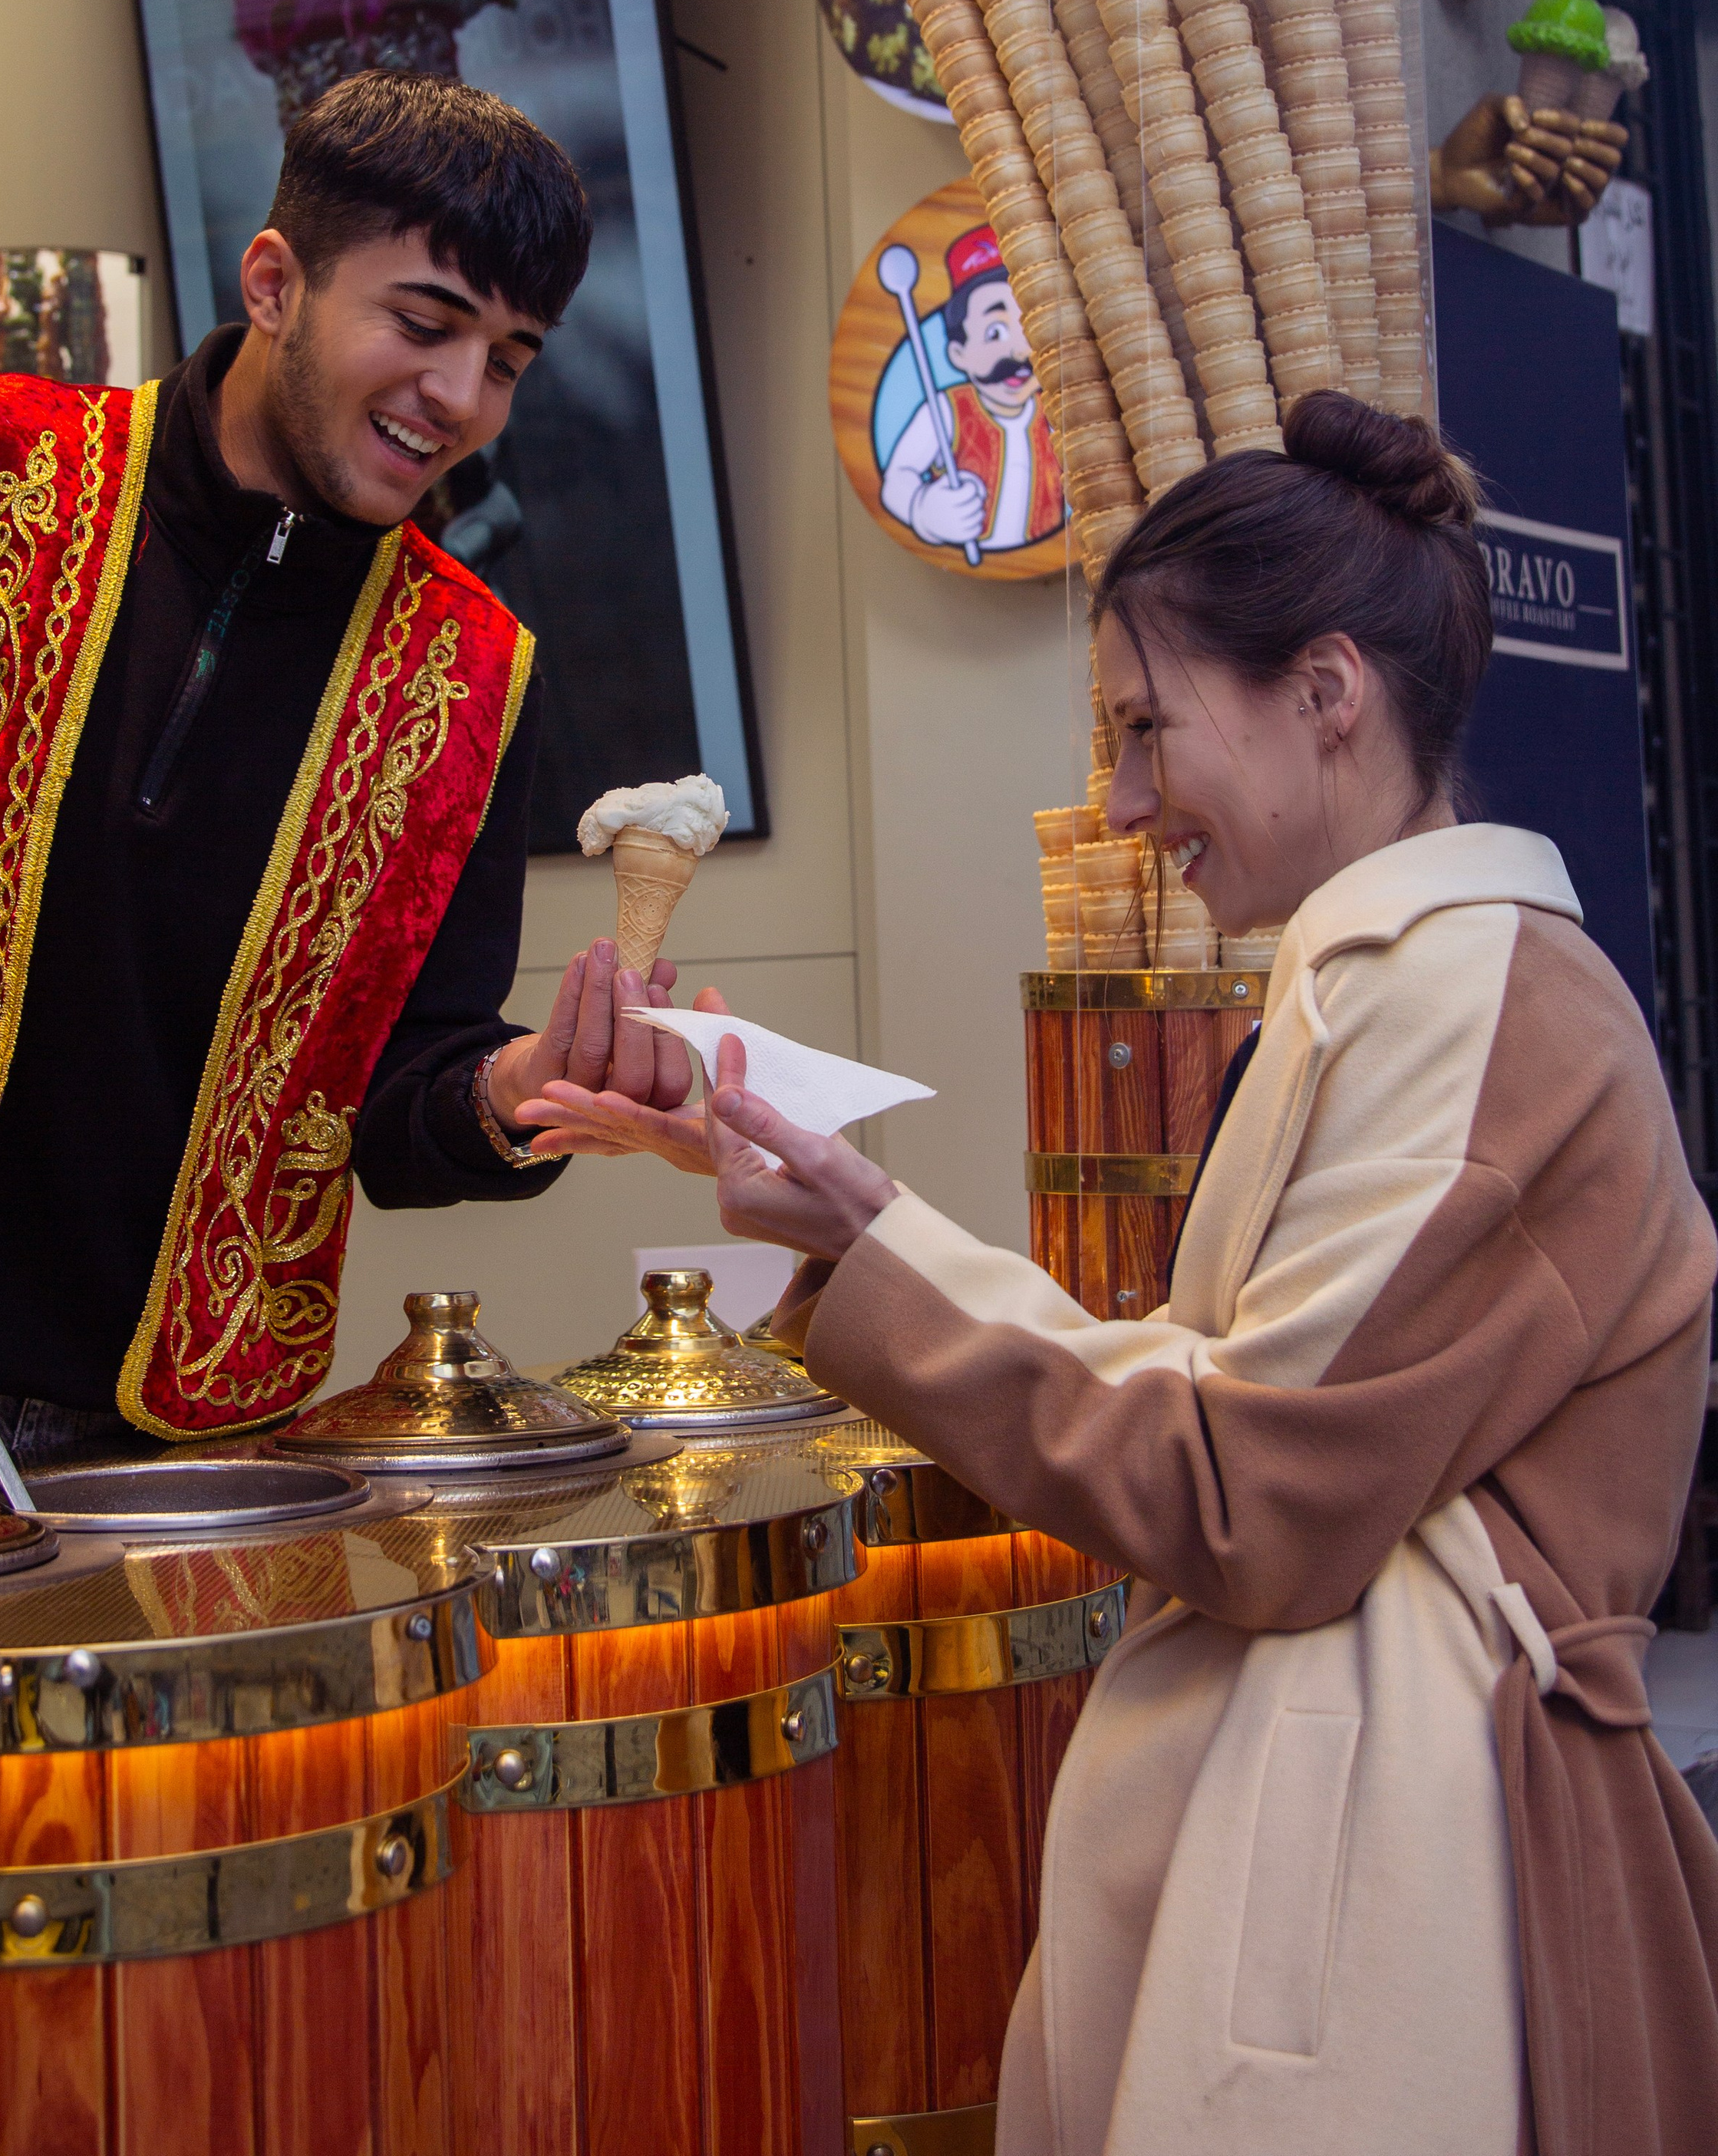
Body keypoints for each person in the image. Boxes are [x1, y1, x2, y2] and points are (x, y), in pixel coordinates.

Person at [525, 391, 1718, 2155]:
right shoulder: (1385, 979)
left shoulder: (1468, 994)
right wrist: (849, 1218)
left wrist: (872, 1242)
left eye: (1146, 727)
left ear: (1324, 694)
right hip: (1377, 1835)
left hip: (1436, 1869)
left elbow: (1246, 1485)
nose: (1120, 800)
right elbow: (1223, 1396)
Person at [0, 73, 700, 1454]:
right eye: (424, 324)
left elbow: (388, 1098)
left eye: (507, 358)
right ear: (275, 282)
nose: (458, 398)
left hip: (173, 1441)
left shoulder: (477, 675)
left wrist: (515, 1093)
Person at [879, 225, 1064, 553]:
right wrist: (923, 511)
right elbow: (898, 478)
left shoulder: (1057, 413)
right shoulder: (944, 412)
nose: (1019, 353)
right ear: (958, 353)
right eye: (995, 332)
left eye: (1030, 329)